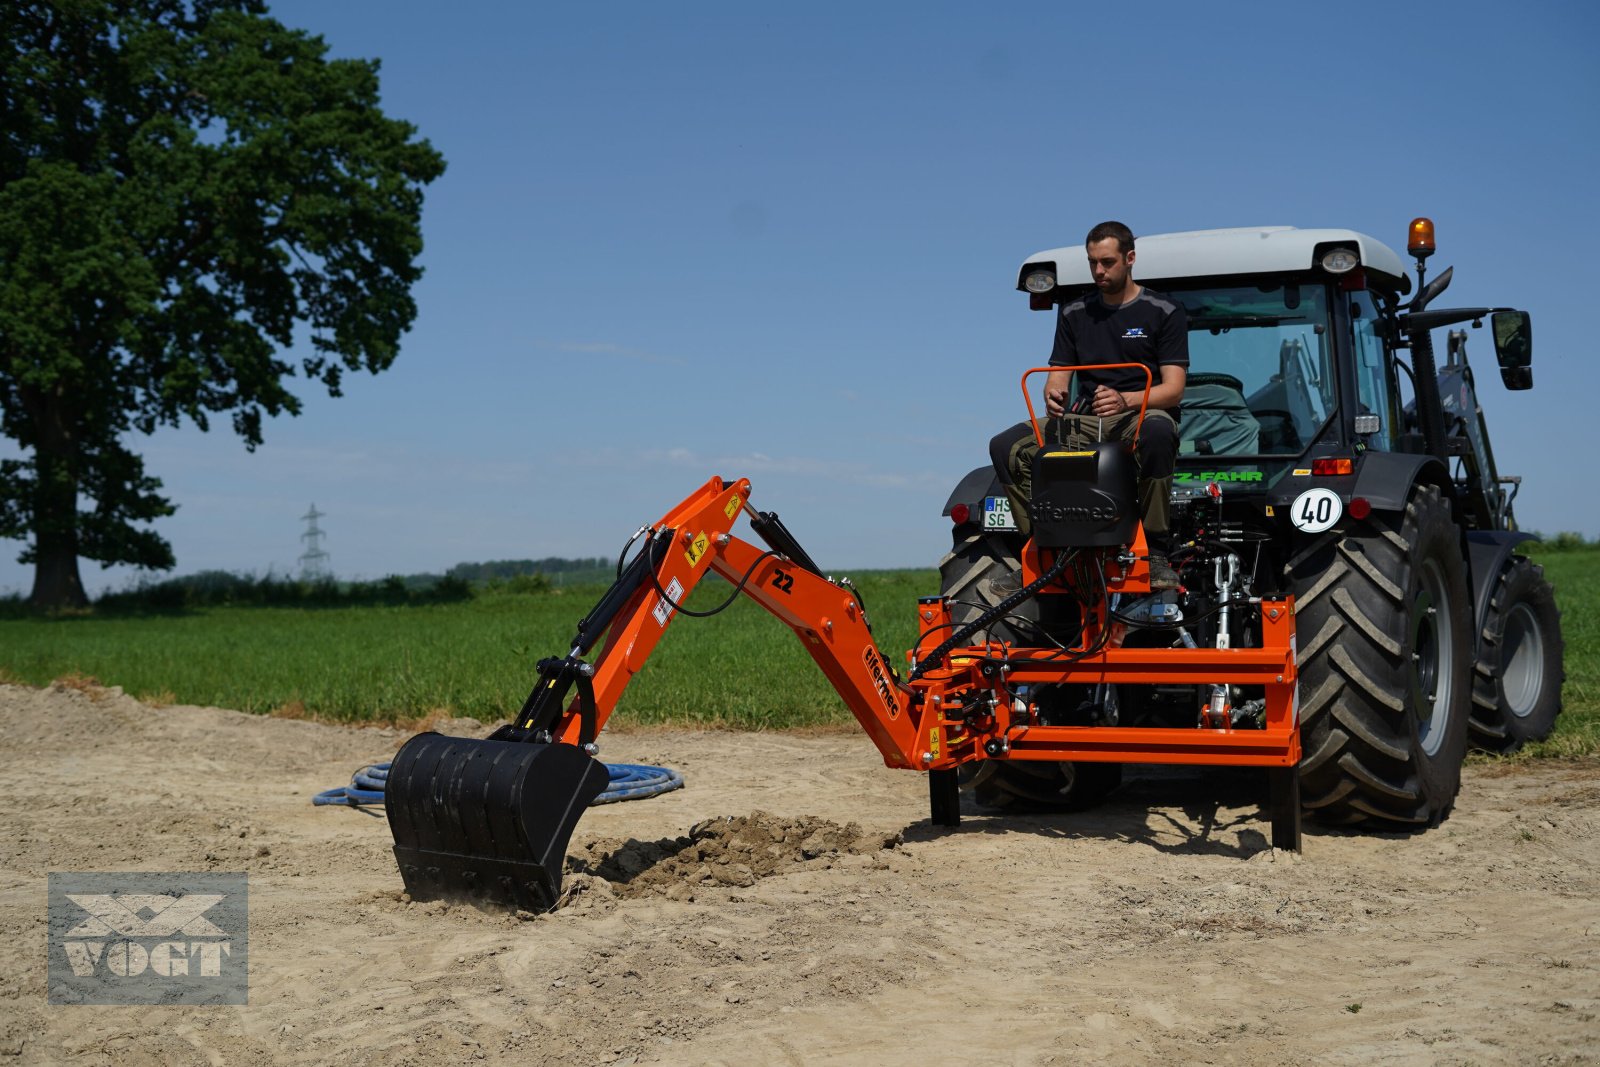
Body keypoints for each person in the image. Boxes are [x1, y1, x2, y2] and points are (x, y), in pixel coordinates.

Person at [989, 220, 1188, 589]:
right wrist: (1054, 393)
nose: (1098, 270)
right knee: (1007, 446)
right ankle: (1037, 551)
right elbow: (1059, 373)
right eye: (1092, 262)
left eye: (1107, 262)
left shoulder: (1164, 310)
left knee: (1160, 430)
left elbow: (1174, 389)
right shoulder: (1074, 312)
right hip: (1085, 422)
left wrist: (1125, 399)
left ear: (1130, 259)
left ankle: (1156, 552)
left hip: (1136, 416)